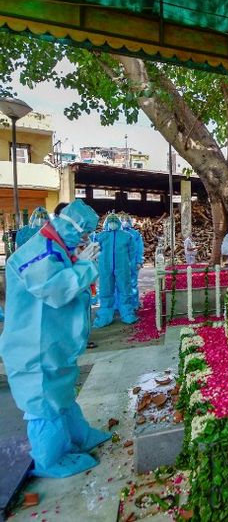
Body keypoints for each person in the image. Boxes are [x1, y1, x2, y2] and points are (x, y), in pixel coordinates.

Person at [0, 199, 110, 478]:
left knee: (61, 392)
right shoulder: (40, 251)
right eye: (84, 233)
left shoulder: (58, 246)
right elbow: (56, 290)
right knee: (44, 400)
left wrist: (79, 260)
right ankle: (49, 459)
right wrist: (84, 266)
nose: (85, 239)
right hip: (33, 347)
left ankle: (78, 436)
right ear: (71, 226)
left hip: (53, 342)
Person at [93, 213, 137, 328]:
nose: (112, 223)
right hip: (105, 267)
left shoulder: (127, 236)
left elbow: (132, 251)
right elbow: (95, 251)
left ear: (118, 223)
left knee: (125, 290)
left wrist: (126, 261)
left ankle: (127, 314)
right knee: (105, 291)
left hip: (122, 267)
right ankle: (105, 316)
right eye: (110, 221)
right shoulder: (100, 236)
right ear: (106, 223)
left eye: (114, 221)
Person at [120, 214, 144, 310]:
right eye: (123, 220)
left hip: (133, 262)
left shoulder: (135, 234)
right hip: (121, 262)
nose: (125, 222)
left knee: (133, 284)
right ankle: (122, 305)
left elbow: (139, 249)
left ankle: (134, 304)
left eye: (126, 220)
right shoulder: (118, 234)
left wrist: (139, 261)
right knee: (121, 284)